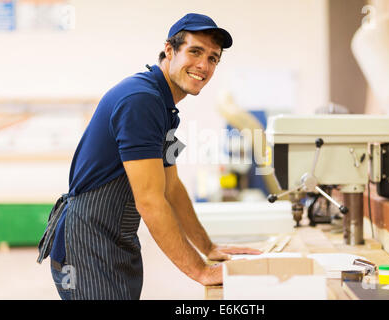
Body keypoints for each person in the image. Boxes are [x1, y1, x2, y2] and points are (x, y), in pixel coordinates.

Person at [37, 13, 261, 300]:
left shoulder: (166, 110)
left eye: (213, 58)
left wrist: (207, 248)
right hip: (85, 243)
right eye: (195, 51)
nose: (204, 66)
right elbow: (151, 201)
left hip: (114, 240)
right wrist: (200, 271)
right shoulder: (141, 101)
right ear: (170, 50)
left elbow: (172, 187)